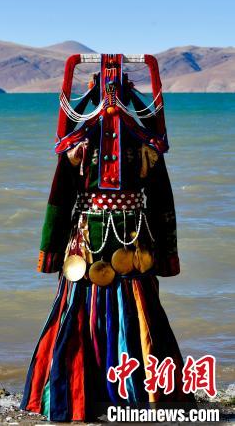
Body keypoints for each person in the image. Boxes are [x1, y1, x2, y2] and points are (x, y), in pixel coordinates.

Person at [20, 54, 194, 421]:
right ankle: (103, 396)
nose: (111, 98)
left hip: (125, 246)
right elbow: (60, 199)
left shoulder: (133, 143)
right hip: (92, 247)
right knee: (94, 313)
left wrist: (167, 254)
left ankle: (122, 397)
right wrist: (50, 253)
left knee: (124, 312)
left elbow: (161, 200)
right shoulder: (86, 145)